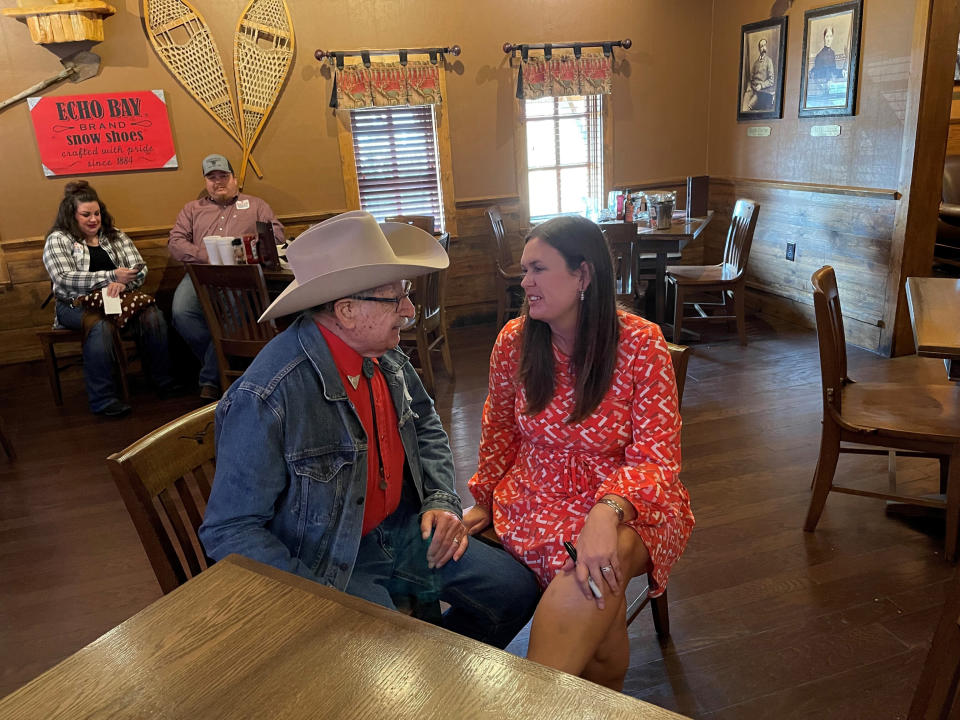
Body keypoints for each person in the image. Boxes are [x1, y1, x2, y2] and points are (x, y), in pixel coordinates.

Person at [199, 211, 540, 649]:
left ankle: (437, 674)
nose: (410, 311)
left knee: (516, 591)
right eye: (395, 299)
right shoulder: (269, 395)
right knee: (392, 658)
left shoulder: (384, 355)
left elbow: (429, 427)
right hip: (331, 560)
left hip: (402, 529)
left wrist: (441, 500)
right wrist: (316, 598)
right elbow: (229, 530)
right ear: (345, 310)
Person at [463, 215, 694, 689]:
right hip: (534, 494)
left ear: (583, 275)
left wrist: (605, 513)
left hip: (632, 501)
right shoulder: (515, 340)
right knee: (602, 628)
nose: (524, 281)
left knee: (591, 574)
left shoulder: (640, 343)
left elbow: (656, 458)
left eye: (538, 269)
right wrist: (483, 498)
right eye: (525, 269)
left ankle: (536, 702)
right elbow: (499, 429)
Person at [42, 181, 177, 417]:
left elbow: (140, 268)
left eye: (96, 214)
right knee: (100, 326)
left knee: (153, 315)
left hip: (120, 298)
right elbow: (63, 279)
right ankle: (102, 399)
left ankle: (162, 381)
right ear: (71, 216)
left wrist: (123, 281)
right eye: (86, 215)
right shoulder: (59, 239)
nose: (93, 219)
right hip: (74, 304)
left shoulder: (115, 236)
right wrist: (110, 276)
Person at [168, 153, 285, 401]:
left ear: (235, 179)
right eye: (212, 177)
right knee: (181, 312)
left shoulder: (256, 205)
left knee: (233, 317)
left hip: (241, 275)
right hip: (201, 273)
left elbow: (277, 236)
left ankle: (210, 378)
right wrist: (205, 255)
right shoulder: (192, 209)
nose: (218, 182)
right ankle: (220, 362)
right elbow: (175, 243)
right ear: (205, 182)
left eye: (223, 176)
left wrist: (250, 248)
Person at [741, 37, 775, 112]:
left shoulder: (769, 61)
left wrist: (761, 85)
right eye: (761, 46)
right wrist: (749, 86)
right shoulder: (756, 63)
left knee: (748, 107)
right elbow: (751, 78)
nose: (763, 48)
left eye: (764, 45)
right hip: (752, 89)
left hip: (762, 92)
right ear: (759, 49)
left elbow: (771, 80)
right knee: (743, 105)